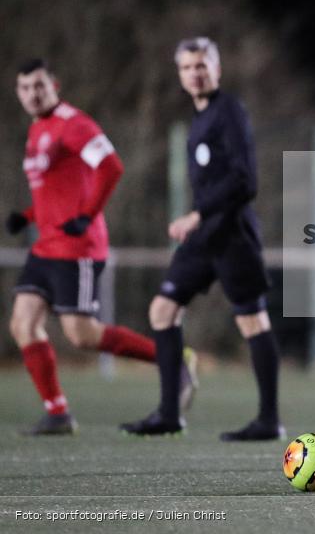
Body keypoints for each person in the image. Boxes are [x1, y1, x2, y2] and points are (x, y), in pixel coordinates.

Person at [7, 59, 197, 435]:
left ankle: (171, 358)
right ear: (18, 92)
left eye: (39, 86)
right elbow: (57, 191)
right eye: (25, 88)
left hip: (76, 248)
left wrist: (87, 215)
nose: (33, 94)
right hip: (46, 246)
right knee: (23, 323)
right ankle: (58, 412)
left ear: (54, 85)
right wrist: (28, 216)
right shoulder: (37, 130)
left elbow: (111, 167)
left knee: (82, 335)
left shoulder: (73, 124)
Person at [120, 37, 281, 441]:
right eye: (188, 67)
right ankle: (169, 413)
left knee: (252, 321)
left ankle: (268, 421)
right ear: (180, 74)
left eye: (202, 65)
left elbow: (246, 182)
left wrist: (197, 213)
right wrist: (199, 219)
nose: (196, 72)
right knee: (162, 311)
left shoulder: (229, 112)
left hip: (232, 236)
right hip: (204, 237)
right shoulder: (199, 117)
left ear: (217, 68)